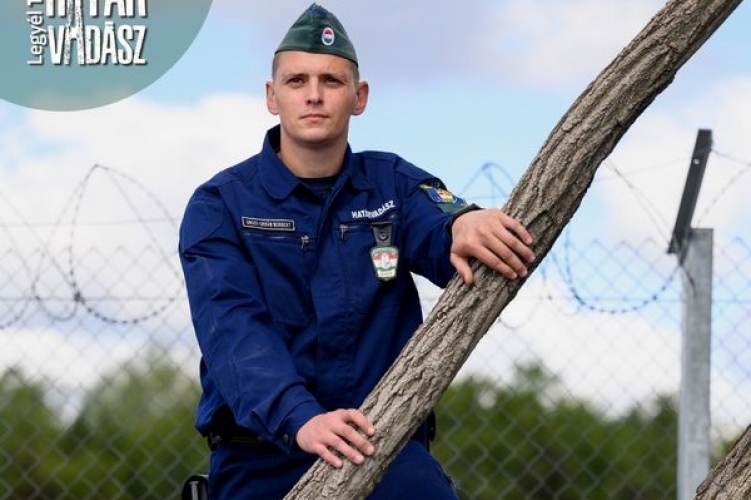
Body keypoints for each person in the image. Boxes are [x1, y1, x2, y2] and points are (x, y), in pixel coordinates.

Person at [178, 3, 535, 499]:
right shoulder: (221, 205)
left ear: (359, 96)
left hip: (381, 448)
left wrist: (464, 221)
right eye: (297, 81)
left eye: (332, 80)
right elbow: (233, 330)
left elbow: (440, 227)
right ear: (272, 96)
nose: (314, 95)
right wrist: (299, 417)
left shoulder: (391, 185)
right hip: (262, 455)